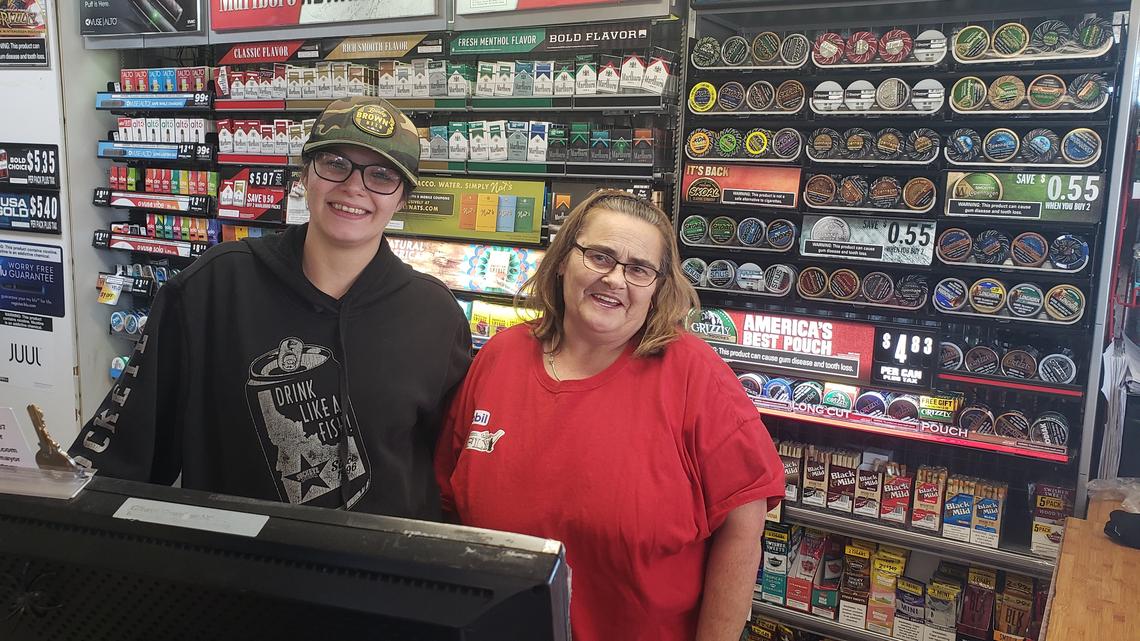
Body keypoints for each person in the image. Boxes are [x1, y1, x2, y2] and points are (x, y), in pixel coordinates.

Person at [70, 97, 472, 518]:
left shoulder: (436, 317)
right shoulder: (213, 287)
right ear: (305, 175)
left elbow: (447, 471)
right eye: (335, 164)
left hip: (381, 559)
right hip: (237, 556)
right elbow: (125, 450)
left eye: (382, 175)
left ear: (403, 198)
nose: (354, 187)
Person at [435, 189, 783, 641]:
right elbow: (448, 498)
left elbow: (743, 523)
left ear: (657, 288)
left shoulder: (694, 375)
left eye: (638, 269)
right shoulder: (500, 357)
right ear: (563, 260)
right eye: (599, 256)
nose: (615, 279)